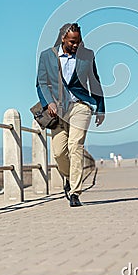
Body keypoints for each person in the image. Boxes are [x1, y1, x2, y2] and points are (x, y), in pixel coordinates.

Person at [36, 23, 105, 207]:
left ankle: (75, 192)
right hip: (57, 109)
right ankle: (68, 177)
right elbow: (41, 83)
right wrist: (48, 102)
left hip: (80, 105)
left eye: (79, 41)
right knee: (59, 153)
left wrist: (100, 107)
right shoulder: (46, 56)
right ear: (63, 39)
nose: (76, 45)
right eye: (73, 42)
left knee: (75, 145)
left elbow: (95, 81)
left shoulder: (87, 56)